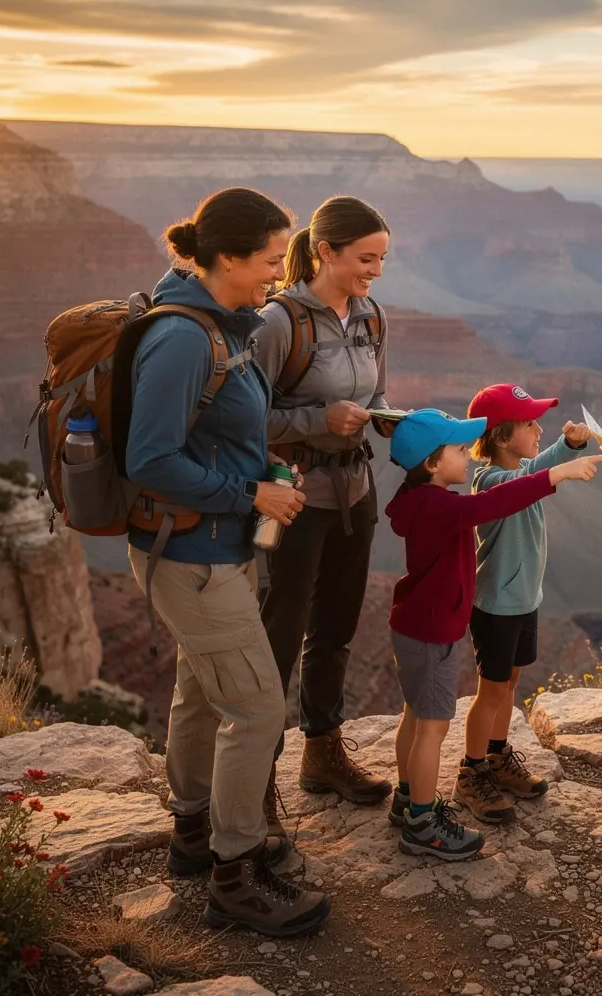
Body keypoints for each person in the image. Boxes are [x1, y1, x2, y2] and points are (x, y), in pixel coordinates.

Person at [125, 187, 330, 936]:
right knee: (256, 707)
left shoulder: (226, 325)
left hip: (215, 546)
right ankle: (235, 877)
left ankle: (192, 833)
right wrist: (250, 494)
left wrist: (262, 470)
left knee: (203, 694)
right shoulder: (184, 337)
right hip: (193, 553)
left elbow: (213, 431)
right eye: (273, 259)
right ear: (226, 257)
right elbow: (148, 459)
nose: (281, 272)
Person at [384, 408, 602, 859]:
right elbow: (495, 502)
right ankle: (423, 824)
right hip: (433, 630)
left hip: (414, 624)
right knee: (432, 727)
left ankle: (407, 799)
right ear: (431, 463)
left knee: (414, 715)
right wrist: (558, 473)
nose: (468, 456)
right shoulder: (443, 507)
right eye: (460, 450)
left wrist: (561, 457)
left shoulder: (419, 501)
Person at [252, 195, 394, 832]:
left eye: (383, 259)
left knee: (335, 626)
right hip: (295, 497)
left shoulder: (370, 316)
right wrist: (318, 420)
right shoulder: (279, 321)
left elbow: (375, 392)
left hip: (355, 491)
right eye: (367, 258)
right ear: (325, 252)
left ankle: (322, 753)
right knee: (279, 633)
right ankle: (252, 782)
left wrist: (398, 421)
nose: (377, 271)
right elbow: (240, 417)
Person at [454, 384, 592, 824]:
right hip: (496, 606)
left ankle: (496, 756)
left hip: (523, 601)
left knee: (509, 683)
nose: (538, 428)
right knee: (491, 691)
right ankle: (471, 773)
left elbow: (539, 466)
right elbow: (527, 482)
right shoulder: (490, 481)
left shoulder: (523, 467)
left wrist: (567, 446)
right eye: (529, 423)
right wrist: (563, 471)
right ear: (499, 437)